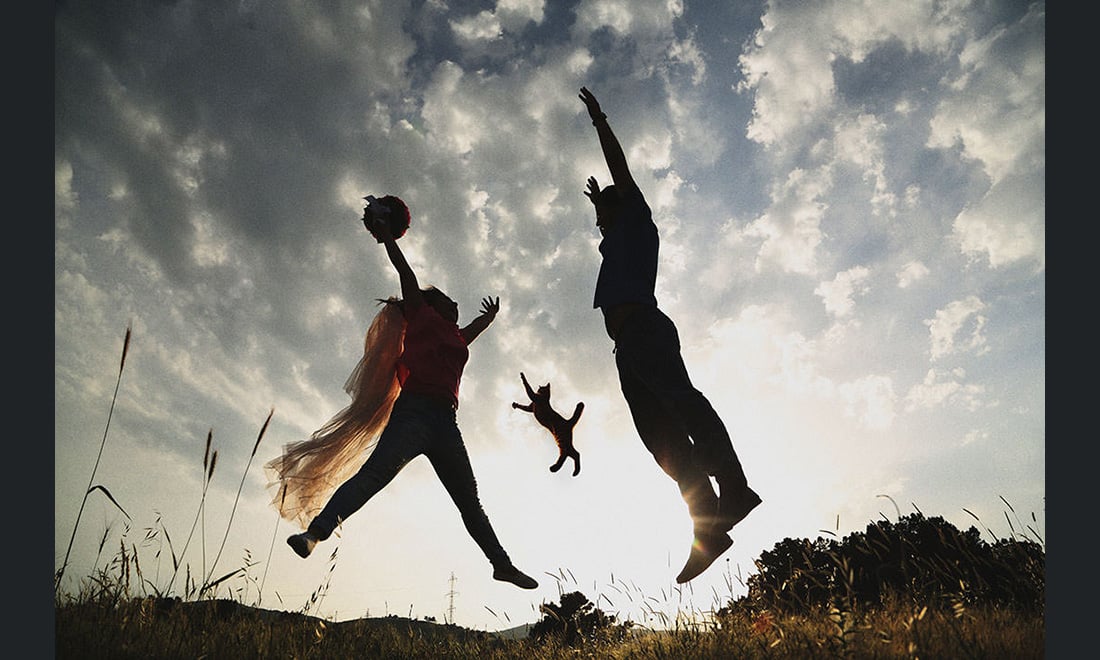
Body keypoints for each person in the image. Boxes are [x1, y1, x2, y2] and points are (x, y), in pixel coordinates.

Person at [275, 196, 538, 590]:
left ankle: (501, 565)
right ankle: (315, 534)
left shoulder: (454, 335)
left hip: (445, 423)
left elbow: (471, 335)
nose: (454, 301)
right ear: (434, 303)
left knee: (470, 500)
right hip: (413, 413)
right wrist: (386, 238)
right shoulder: (421, 311)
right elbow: (405, 270)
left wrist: (490, 318)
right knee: (373, 477)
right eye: (448, 297)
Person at [578, 86, 761, 583]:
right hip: (625, 348)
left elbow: (620, 173)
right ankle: (709, 529)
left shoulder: (637, 218)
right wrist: (601, 207)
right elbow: (607, 219)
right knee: (660, 440)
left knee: (685, 404)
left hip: (646, 331)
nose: (598, 226)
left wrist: (600, 122)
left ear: (619, 211)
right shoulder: (616, 236)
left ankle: (735, 488)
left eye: (601, 217)